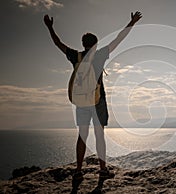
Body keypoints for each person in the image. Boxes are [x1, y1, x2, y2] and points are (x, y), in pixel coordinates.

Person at [44, 11, 142, 187]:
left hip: (81, 102)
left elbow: (58, 43)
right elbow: (119, 39)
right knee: (99, 136)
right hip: (98, 101)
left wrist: (50, 27)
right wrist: (132, 22)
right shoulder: (100, 55)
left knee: (82, 136)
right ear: (95, 44)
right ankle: (102, 170)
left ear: (83, 44)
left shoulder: (76, 56)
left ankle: (78, 171)